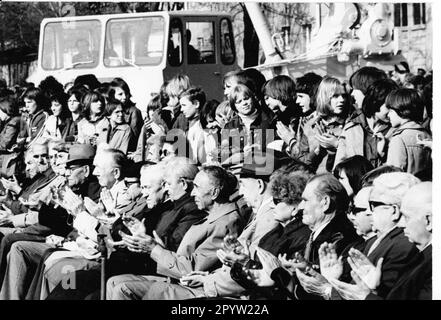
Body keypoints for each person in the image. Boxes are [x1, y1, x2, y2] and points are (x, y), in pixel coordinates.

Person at [106, 165, 242, 300]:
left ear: (214, 193)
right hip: (179, 279)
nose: (193, 193)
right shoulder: (214, 216)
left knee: (123, 289)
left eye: (197, 187)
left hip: (195, 290)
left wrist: (154, 249)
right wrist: (153, 243)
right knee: (113, 282)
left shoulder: (226, 223)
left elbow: (190, 269)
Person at [0, 143, 100, 300]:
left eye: (71, 169)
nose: (66, 173)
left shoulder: (95, 192)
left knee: (61, 265)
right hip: (66, 244)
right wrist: (50, 204)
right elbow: (49, 218)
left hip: (82, 253)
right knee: (22, 248)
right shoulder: (75, 187)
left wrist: (67, 237)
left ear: (86, 171)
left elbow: (96, 231)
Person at [329, 181, 431, 300]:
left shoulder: (406, 248)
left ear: (428, 220)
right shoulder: (422, 255)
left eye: (407, 217)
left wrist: (366, 297)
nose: (402, 224)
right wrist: (374, 291)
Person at [333, 79, 399, 168]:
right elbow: (338, 167)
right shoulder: (352, 126)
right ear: (376, 101)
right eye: (389, 106)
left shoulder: (395, 131)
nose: (393, 111)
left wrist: (382, 156)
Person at [293, 77, 352, 172]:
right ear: (324, 97)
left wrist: (337, 145)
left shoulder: (350, 123)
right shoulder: (311, 125)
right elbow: (301, 162)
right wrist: (317, 151)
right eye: (335, 96)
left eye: (344, 96)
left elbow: (359, 155)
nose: (341, 100)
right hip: (317, 180)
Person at [385, 88, 432, 174]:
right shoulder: (427, 135)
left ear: (401, 111)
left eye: (391, 111)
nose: (388, 115)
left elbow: (394, 176)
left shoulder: (399, 139)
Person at [221, 83, 273, 159]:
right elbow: (223, 152)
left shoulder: (268, 119)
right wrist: (241, 152)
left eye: (246, 98)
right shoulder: (230, 126)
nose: (244, 103)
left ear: (253, 98)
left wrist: (262, 148)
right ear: (234, 105)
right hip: (238, 166)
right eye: (239, 102)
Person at [109, 78, 143, 149]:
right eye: (120, 94)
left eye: (126, 93)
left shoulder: (134, 112)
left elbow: (135, 138)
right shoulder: (109, 110)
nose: (124, 97)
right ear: (112, 96)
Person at [179, 87, 206, 164]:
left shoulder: (200, 126)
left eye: (184, 105)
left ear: (196, 104)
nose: (181, 109)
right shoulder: (189, 125)